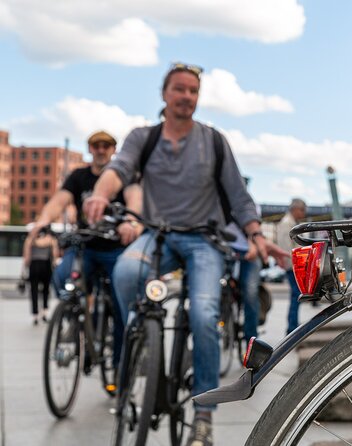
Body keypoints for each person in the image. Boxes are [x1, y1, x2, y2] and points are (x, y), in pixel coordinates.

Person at [84, 62, 287, 446]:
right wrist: (99, 193)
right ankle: (141, 345)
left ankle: (205, 414)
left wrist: (257, 236)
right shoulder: (144, 137)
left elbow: (238, 197)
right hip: (157, 235)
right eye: (179, 89)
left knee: (205, 314)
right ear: (164, 94)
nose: (186, 97)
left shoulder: (213, 140)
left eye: (193, 91)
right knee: (126, 274)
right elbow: (119, 169)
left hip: (204, 240)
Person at [31, 130, 143, 365]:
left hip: (115, 248)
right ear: (90, 149)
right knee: (62, 276)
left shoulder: (124, 176)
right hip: (85, 246)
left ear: (113, 150)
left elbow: (135, 199)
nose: (101, 150)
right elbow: (59, 200)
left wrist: (131, 222)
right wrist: (43, 219)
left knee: (122, 300)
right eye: (96, 146)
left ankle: (121, 363)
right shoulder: (79, 176)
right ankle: (78, 319)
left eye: (106, 146)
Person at [276, 198, 307, 334]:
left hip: (293, 265)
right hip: (293, 266)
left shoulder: (290, 222)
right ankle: (292, 328)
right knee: (296, 296)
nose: (303, 213)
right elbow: (286, 247)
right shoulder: (287, 223)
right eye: (302, 210)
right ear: (295, 209)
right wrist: (294, 266)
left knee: (296, 296)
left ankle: (292, 326)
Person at [22, 226, 58, 325]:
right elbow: (55, 255)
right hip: (46, 266)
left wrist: (23, 271)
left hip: (34, 266)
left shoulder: (30, 240)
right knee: (46, 291)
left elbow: (26, 257)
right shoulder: (51, 240)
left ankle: (35, 315)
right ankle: (44, 313)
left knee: (34, 291)